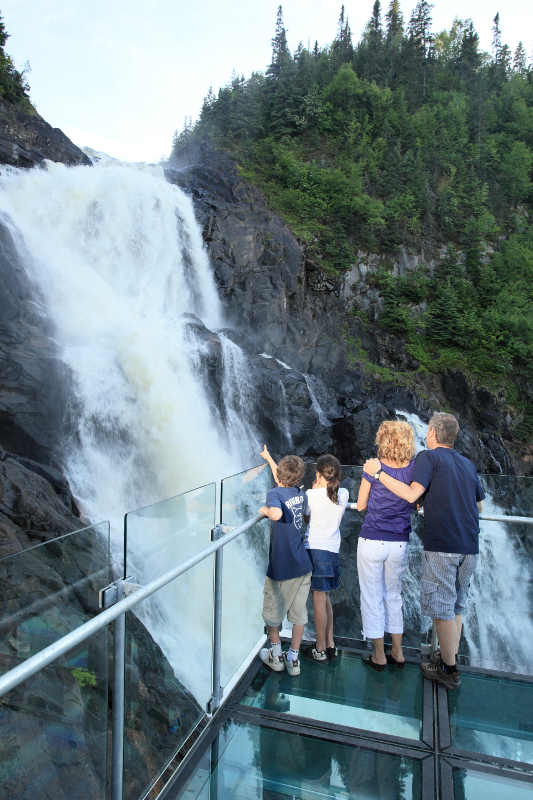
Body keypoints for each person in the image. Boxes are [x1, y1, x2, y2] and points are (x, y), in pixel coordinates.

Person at [363, 412, 485, 689]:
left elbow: (410, 495)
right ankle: (448, 656)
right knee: (456, 606)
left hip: (444, 545)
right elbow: (479, 506)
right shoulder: (467, 463)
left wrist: (378, 473)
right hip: (470, 545)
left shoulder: (428, 458)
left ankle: (449, 670)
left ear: (431, 433)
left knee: (441, 609)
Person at [356, 420, 416, 671]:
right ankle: (398, 652)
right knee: (394, 596)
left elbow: (360, 505)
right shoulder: (413, 469)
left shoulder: (374, 467)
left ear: (383, 440)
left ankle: (379, 655)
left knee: (372, 597)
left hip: (372, 539)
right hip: (399, 542)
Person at [258, 445, 312, 677]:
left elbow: (277, 513)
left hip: (281, 568)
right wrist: (270, 459)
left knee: (273, 612)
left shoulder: (274, 495)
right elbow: (284, 485)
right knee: (299, 614)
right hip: (303, 566)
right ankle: (293, 658)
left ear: (279, 477)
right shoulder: (300, 493)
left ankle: (276, 654)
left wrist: (265, 510)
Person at [305, 454, 349, 662]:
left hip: (315, 550)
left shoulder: (311, 496)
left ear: (318, 474)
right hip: (332, 551)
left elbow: (306, 513)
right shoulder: (344, 494)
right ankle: (330, 642)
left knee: (318, 601)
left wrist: (314, 491)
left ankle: (320, 648)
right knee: (325, 598)